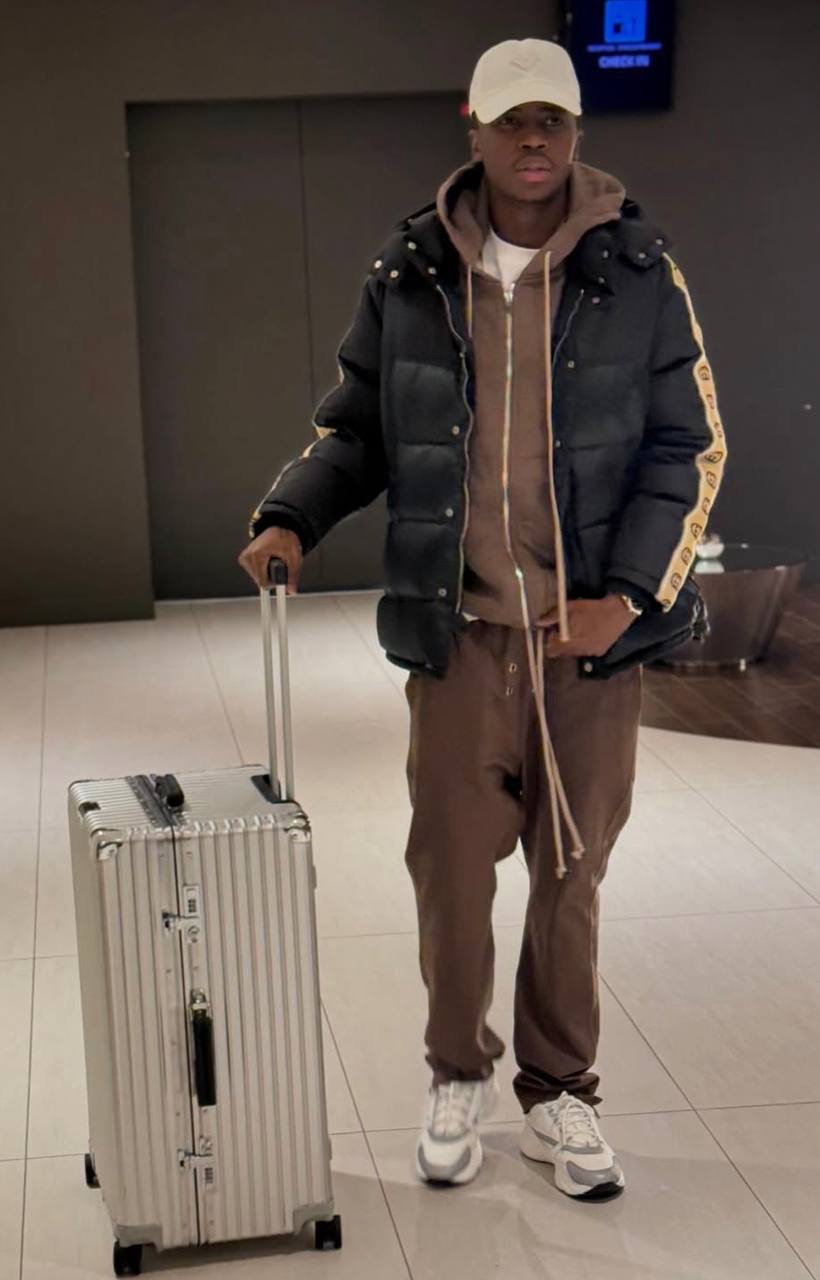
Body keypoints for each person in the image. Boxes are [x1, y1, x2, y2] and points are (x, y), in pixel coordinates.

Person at [240, 37, 726, 1200]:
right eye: (511, 121)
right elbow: (358, 426)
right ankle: (456, 1070)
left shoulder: (640, 271)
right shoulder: (410, 271)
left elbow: (688, 445)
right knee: (451, 872)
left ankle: (558, 1091)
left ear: (575, 129)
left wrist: (627, 598)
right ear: (475, 128)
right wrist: (291, 514)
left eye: (550, 118)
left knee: (571, 872)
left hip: (584, 644)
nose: (532, 139)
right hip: (458, 632)